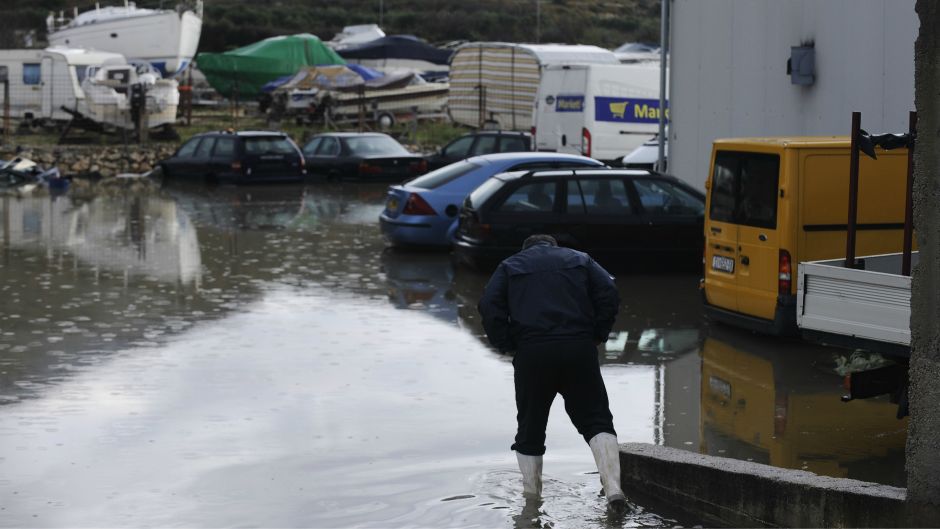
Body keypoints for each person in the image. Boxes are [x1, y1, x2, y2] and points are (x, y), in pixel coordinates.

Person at [477, 234, 626, 514]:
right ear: (554, 246)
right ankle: (614, 490)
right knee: (596, 419)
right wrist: (598, 333)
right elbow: (609, 291)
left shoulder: (509, 266)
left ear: (526, 248)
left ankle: (531, 503)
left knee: (531, 429)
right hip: (578, 348)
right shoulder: (580, 259)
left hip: (532, 352)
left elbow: (488, 306)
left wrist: (507, 343)